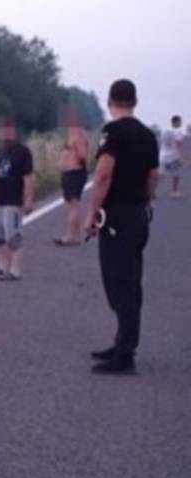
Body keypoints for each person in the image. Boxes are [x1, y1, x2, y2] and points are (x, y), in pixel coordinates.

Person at [85, 79, 159, 374]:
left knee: (118, 283)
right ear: (135, 101)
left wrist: (94, 212)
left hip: (116, 215)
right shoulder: (147, 135)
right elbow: (153, 176)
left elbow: (103, 175)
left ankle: (125, 354)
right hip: (138, 212)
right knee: (131, 280)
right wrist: (146, 199)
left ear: (110, 101)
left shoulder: (112, 133)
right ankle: (122, 342)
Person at [0, 116, 36, 281]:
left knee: (12, 237)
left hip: (13, 200)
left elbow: (29, 177)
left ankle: (15, 270)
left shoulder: (23, 152)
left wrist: (29, 200)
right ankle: (2, 267)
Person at [55, 110, 90, 246]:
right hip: (70, 173)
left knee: (74, 205)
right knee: (73, 205)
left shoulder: (78, 134)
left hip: (75, 173)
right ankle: (76, 235)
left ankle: (70, 236)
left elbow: (82, 155)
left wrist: (74, 164)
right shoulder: (72, 134)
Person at [159, 115, 184, 197]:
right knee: (176, 174)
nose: (181, 123)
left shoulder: (165, 130)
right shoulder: (178, 131)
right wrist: (180, 156)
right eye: (180, 121)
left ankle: (151, 190)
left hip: (163, 156)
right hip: (173, 156)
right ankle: (174, 191)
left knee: (161, 174)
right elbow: (178, 144)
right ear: (176, 122)